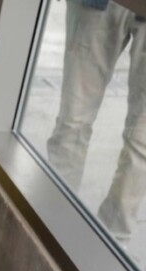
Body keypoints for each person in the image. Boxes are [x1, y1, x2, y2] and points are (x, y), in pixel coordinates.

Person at [46, 0, 146, 257]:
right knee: (73, 122)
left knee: (142, 142)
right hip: (97, 4)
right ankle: (52, 229)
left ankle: (112, 248)